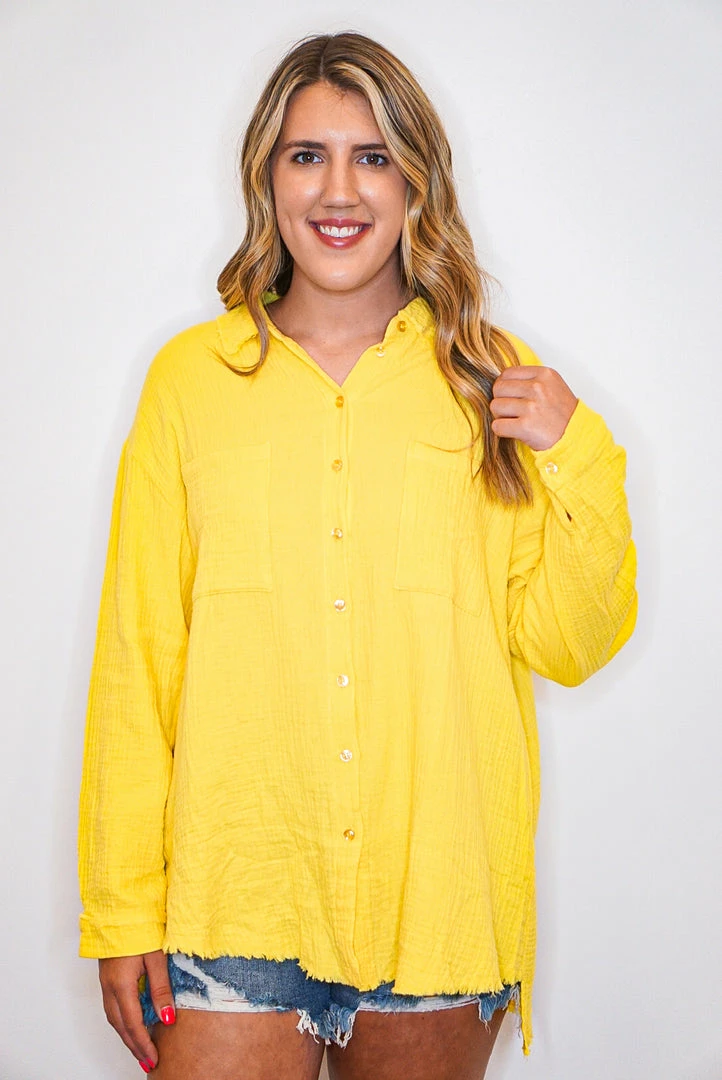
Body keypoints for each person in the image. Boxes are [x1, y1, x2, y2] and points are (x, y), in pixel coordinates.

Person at [77, 30, 638, 1080]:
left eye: (372, 156)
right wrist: (119, 909)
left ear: (416, 181)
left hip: (436, 907)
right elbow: (137, 657)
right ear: (267, 176)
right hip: (231, 902)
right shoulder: (190, 383)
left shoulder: (490, 380)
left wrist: (579, 453)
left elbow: (570, 644)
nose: (339, 190)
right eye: (308, 155)